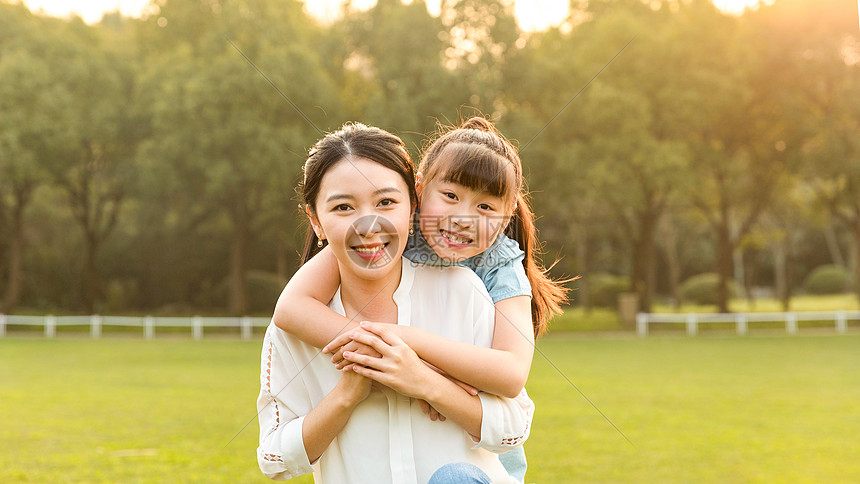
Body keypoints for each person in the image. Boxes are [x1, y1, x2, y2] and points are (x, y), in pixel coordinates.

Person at [271, 117, 570, 482]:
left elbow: (510, 375)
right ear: (420, 193)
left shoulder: (500, 267)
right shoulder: (376, 237)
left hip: (487, 460)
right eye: (450, 197)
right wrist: (394, 366)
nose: (463, 219)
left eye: (486, 207)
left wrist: (408, 348)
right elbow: (290, 309)